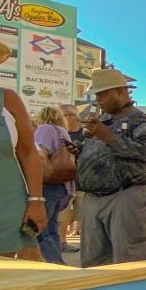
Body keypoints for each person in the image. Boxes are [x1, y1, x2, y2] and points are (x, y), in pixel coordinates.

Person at [75, 68, 146, 267]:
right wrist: (79, 150)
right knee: (93, 263)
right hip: (93, 197)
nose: (98, 99)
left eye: (102, 93)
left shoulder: (141, 121)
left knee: (130, 261)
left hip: (126, 196)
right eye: (96, 95)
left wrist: (109, 137)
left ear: (120, 91)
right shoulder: (103, 121)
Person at [0, 29, 46, 256]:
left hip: (5, 211)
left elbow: (28, 152)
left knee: (5, 283)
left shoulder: (7, 99)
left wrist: (36, 200)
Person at [33, 106, 75, 264]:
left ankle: (54, 264)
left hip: (48, 184)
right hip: (61, 185)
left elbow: (39, 155)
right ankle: (57, 262)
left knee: (42, 230)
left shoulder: (44, 129)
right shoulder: (62, 131)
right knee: (51, 228)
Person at [57, 104, 85, 253]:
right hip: (64, 183)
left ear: (75, 116)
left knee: (84, 215)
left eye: (67, 114)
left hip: (82, 182)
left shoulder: (85, 134)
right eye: (63, 115)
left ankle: (86, 242)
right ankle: (62, 242)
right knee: (63, 214)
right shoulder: (59, 134)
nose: (65, 118)